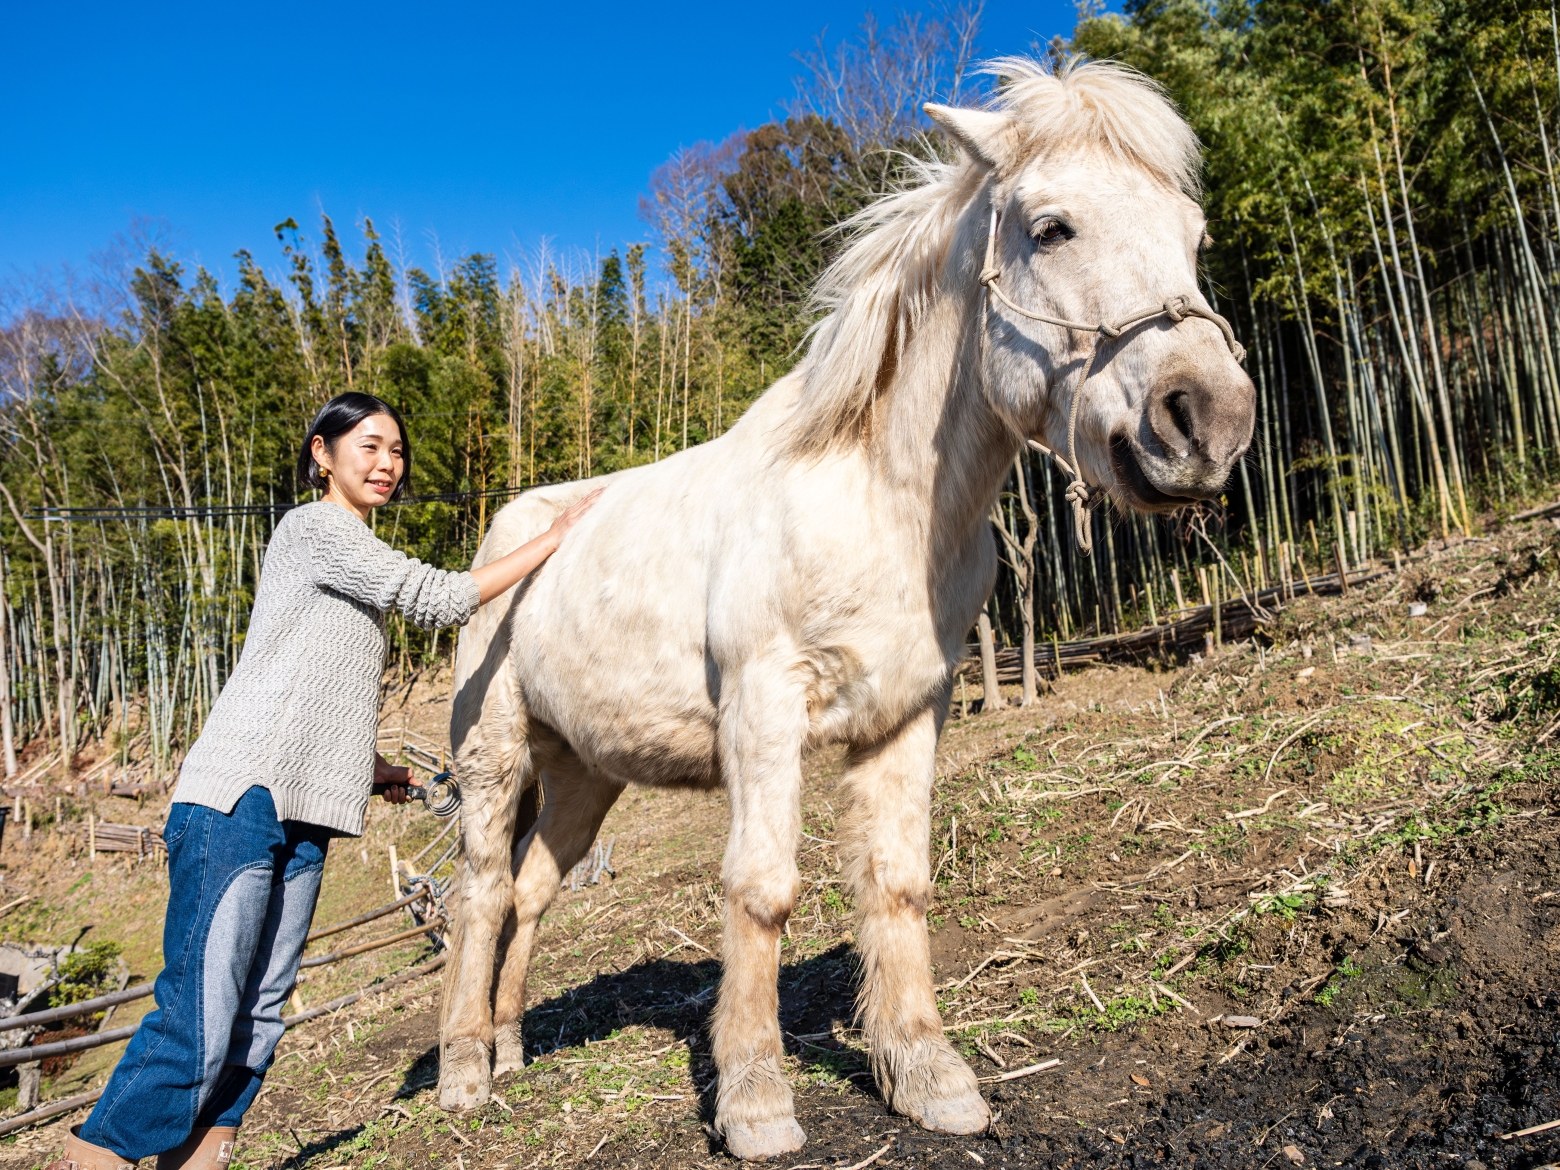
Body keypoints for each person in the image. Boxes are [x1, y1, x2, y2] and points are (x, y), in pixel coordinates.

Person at [50, 392, 599, 1170]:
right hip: (238, 799)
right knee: (202, 1014)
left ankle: (199, 1160)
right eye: (369, 446)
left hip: (303, 812)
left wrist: (372, 769)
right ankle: (94, 1155)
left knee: (262, 1013)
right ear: (322, 454)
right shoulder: (315, 530)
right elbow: (438, 597)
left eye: (397, 451)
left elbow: (308, 687)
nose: (387, 464)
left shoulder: (348, 555)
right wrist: (555, 535)